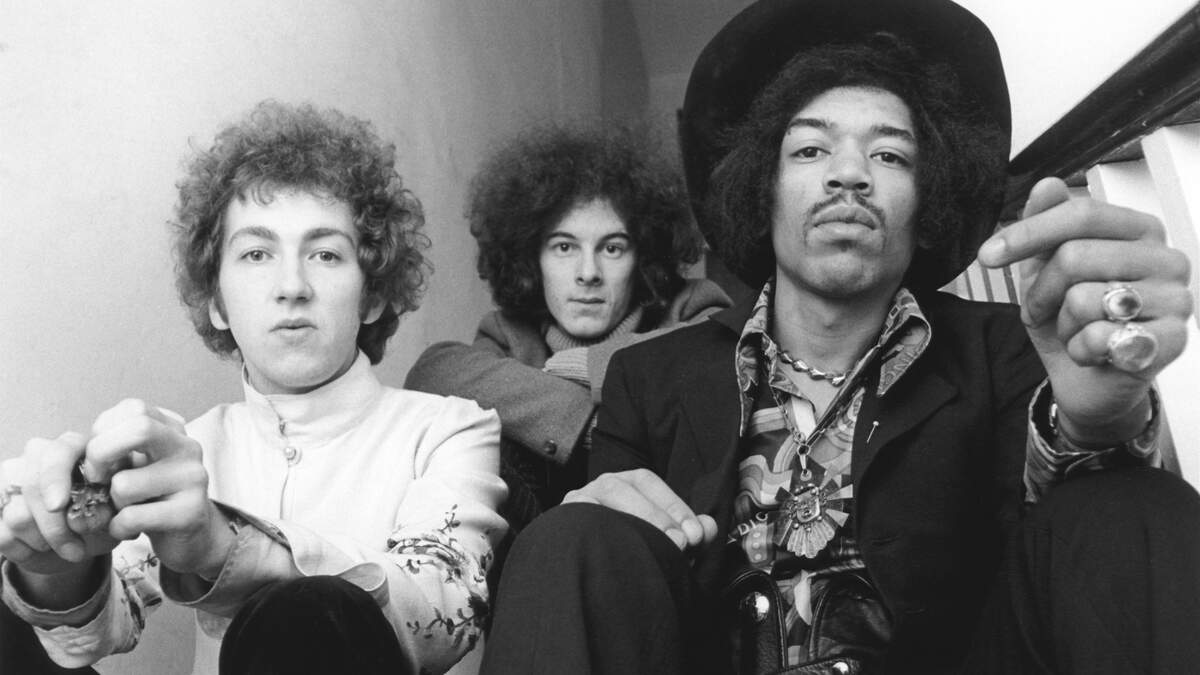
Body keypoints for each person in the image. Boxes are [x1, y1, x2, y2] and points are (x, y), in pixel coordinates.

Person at [479, 1, 1200, 674]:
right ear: (762, 188)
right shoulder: (648, 376)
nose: (849, 174)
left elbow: (1072, 561)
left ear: (927, 202)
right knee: (571, 534)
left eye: (890, 156)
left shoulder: (1003, 349)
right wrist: (586, 526)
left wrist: (1100, 426)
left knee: (1130, 501)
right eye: (810, 151)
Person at [0, 101, 507, 675]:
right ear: (217, 303)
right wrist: (54, 565)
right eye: (256, 254)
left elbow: (443, 614)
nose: (291, 286)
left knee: (308, 609)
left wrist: (225, 547)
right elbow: (98, 633)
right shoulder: (190, 446)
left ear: (372, 296)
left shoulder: (451, 428)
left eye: (325, 254)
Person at [405, 123, 730, 526]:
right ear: (532, 258)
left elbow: (719, 356)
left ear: (644, 256)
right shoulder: (510, 335)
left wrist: (586, 367)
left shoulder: (692, 306)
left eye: (612, 248)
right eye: (564, 247)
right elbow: (432, 373)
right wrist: (589, 423)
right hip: (539, 537)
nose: (588, 272)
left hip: (668, 530)